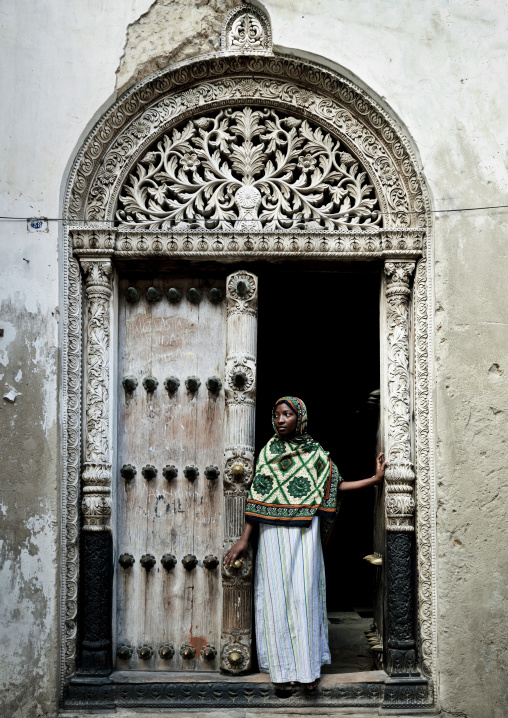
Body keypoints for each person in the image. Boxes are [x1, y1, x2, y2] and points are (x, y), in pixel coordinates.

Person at [224, 395, 386, 691]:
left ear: (300, 418)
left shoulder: (316, 455)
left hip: (304, 535)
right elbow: (256, 499)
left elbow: (336, 488)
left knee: (304, 598)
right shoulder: (268, 452)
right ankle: (285, 670)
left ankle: (308, 670)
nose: (280, 420)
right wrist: (244, 540)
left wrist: (374, 480)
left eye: (286, 414)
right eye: (276, 415)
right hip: (272, 535)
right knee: (276, 600)